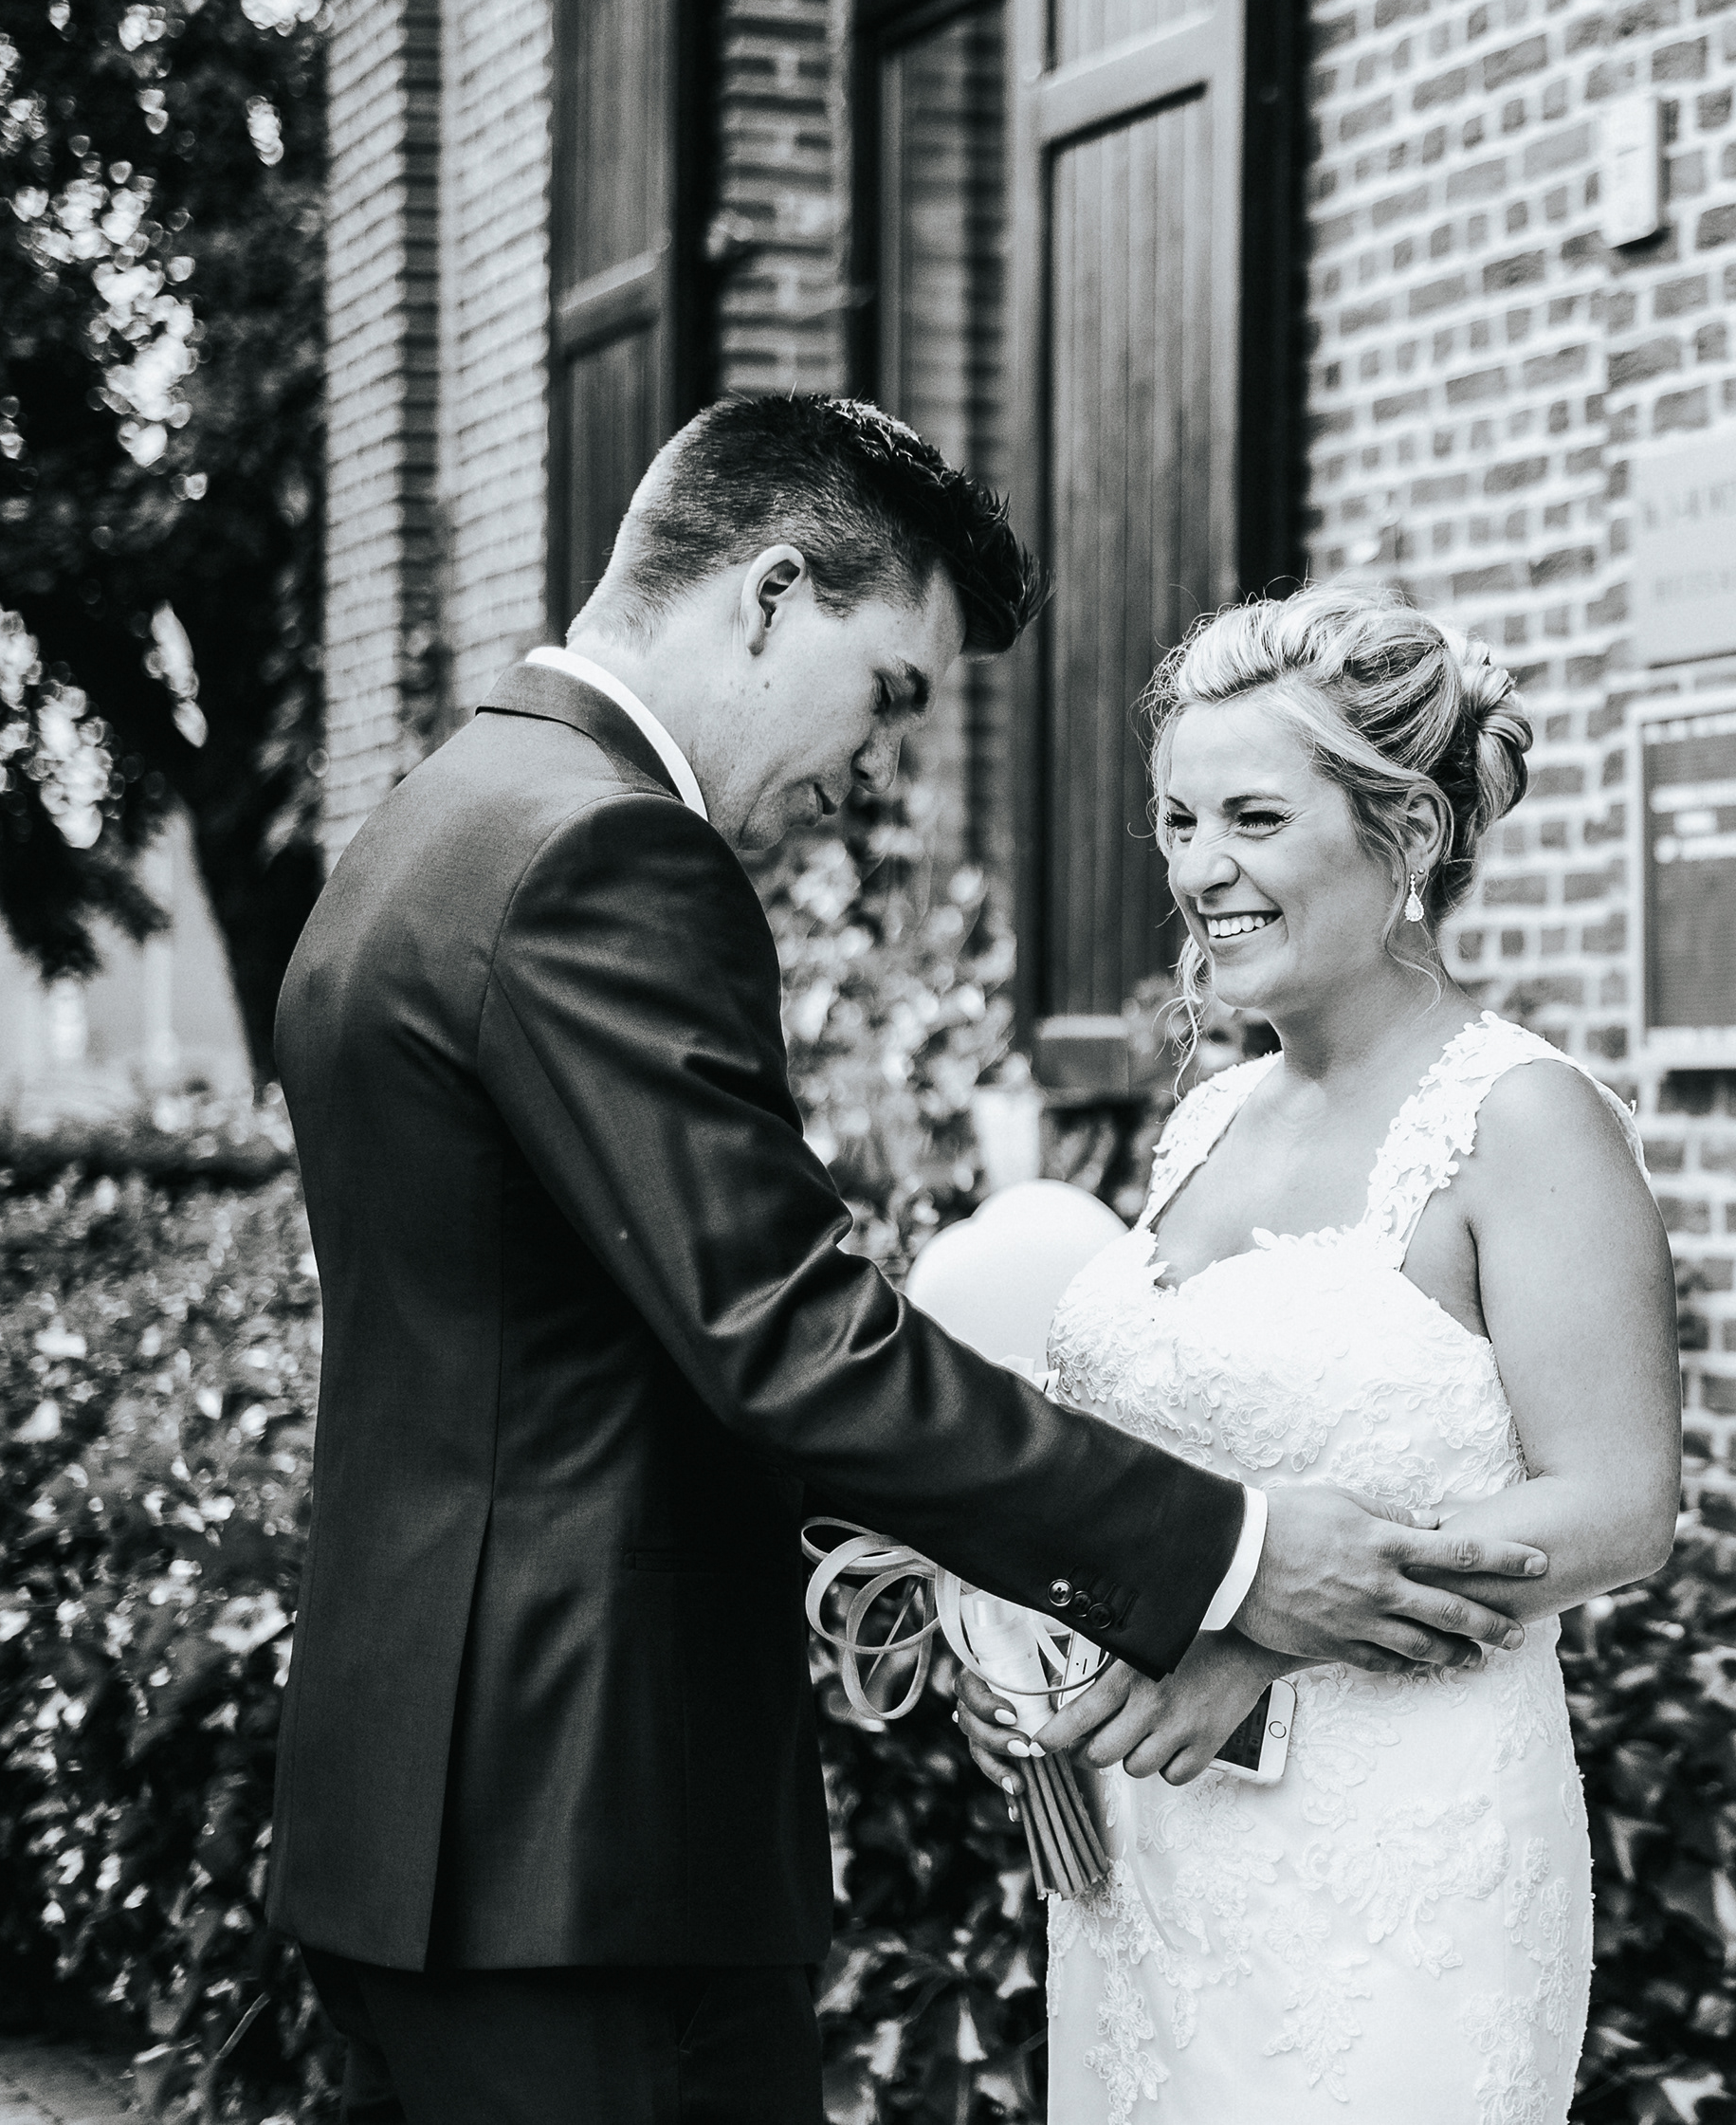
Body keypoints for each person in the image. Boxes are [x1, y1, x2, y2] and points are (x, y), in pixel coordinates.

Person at [269, 396, 1547, 2124]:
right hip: (577, 1841)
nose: (876, 768)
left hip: (427, 1812)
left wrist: (968, 1578)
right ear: (772, 593)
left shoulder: (437, 821)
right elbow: (793, 1338)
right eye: (888, 693)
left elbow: (584, 1350)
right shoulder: (607, 852)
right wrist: (1227, 1553)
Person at [952, 588, 1680, 2124]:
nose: (1197, 867)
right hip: (1154, 1864)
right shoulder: (1211, 1117)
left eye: (1254, 818)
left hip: (1394, 1868)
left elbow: (1618, 1507)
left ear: (1407, 835)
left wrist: (1262, 1633)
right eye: (1179, 820)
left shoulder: (1520, 1120)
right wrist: (1034, 1646)